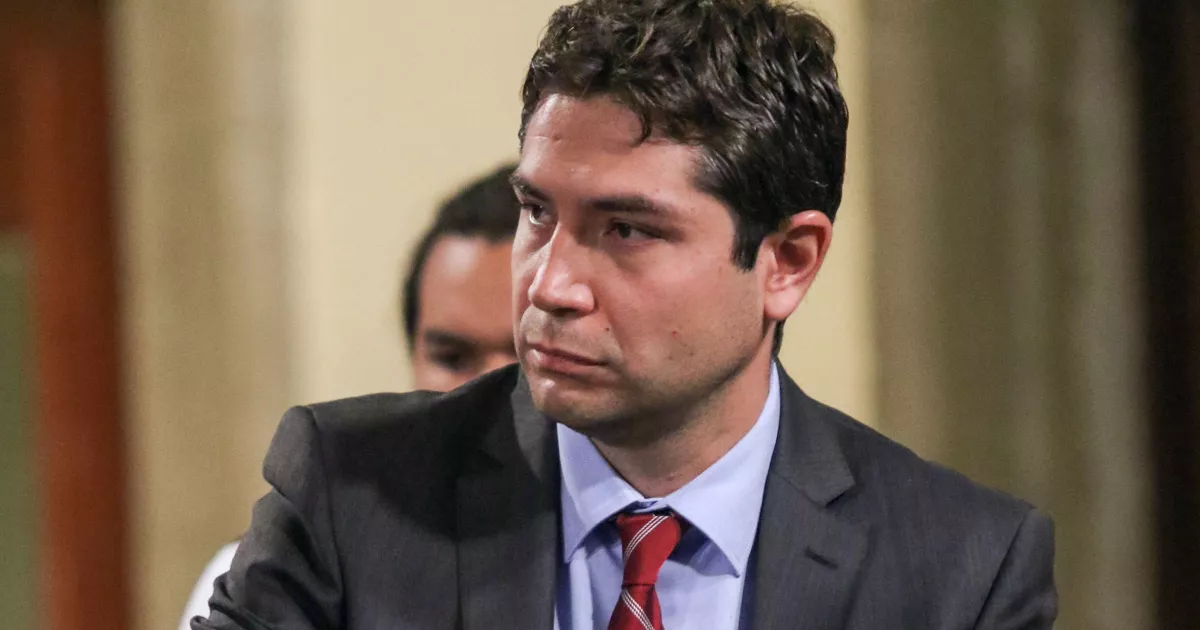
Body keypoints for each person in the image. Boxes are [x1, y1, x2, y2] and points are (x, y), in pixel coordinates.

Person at [195, 1, 1057, 628]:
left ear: (786, 263)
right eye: (538, 212)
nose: (550, 283)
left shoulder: (961, 571)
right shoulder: (352, 500)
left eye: (628, 230)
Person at [178, 164, 520, 629]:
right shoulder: (271, 579)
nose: (490, 388)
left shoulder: (632, 558)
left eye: (522, 353)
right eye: (454, 356)